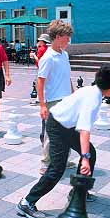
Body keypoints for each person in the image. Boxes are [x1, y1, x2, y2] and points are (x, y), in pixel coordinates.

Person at [17, 65, 110, 218]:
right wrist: (84, 158)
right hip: (58, 126)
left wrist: (86, 155)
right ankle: (27, 202)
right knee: (57, 169)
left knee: (90, 153)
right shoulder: (93, 98)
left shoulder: (92, 91)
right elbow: (84, 130)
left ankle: (79, 192)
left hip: (66, 125)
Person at [33, 24, 76, 176]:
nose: (69, 40)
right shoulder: (48, 57)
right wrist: (42, 105)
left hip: (66, 100)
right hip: (53, 101)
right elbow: (40, 81)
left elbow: (67, 77)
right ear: (58, 37)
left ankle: (63, 159)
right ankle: (46, 163)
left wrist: (73, 96)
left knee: (68, 132)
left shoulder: (64, 55)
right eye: (67, 37)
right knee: (52, 134)